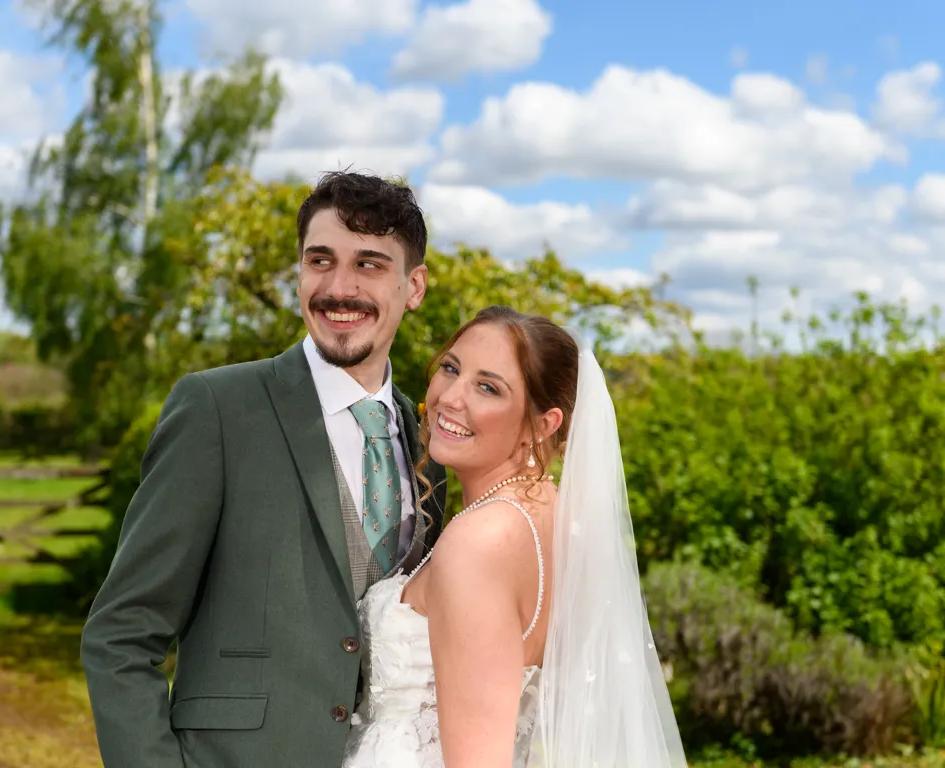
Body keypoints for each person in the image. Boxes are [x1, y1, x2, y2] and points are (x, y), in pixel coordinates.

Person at [80, 170, 448, 767]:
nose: (339, 287)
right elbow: (122, 632)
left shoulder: (429, 440)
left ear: (415, 286)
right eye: (319, 260)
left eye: (370, 265)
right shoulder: (218, 409)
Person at [342, 305, 688, 767]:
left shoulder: (480, 541)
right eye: (451, 368)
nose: (450, 397)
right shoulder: (554, 514)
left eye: (488, 387)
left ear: (544, 424)